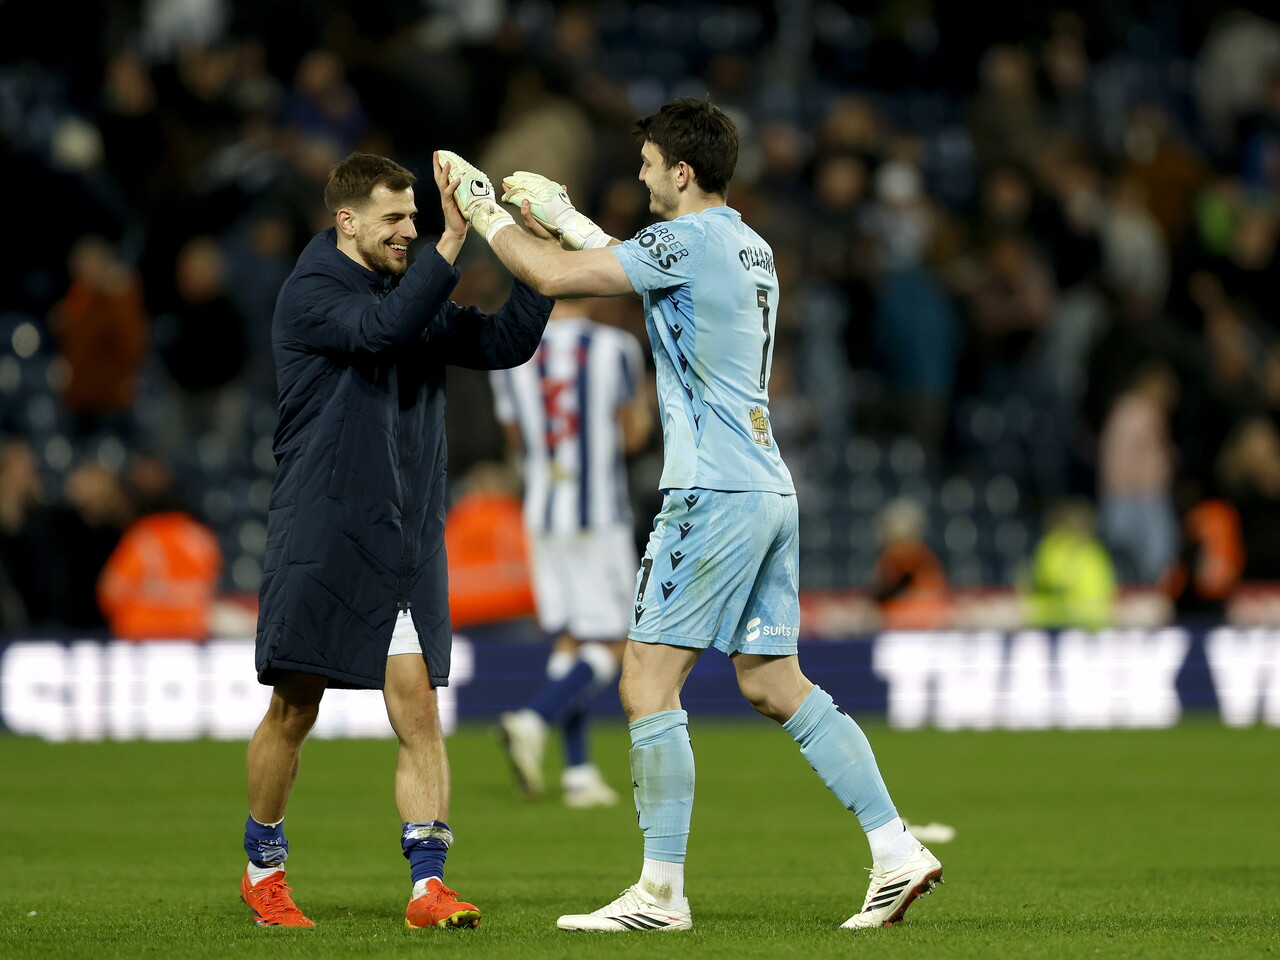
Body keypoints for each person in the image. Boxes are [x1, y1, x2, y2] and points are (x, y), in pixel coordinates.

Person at [439, 95, 943, 932]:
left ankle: (660, 894)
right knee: (773, 681)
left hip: (710, 490)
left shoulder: (687, 241)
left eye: (647, 167)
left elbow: (560, 278)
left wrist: (486, 211)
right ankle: (896, 850)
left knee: (645, 679)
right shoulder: (747, 244)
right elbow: (639, 267)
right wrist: (562, 216)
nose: (640, 179)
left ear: (681, 170)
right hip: (766, 485)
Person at [240, 151, 553, 931]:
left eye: (415, 216)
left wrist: (541, 260)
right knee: (295, 707)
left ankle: (427, 886)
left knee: (418, 706)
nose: (409, 230)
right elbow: (380, 334)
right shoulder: (314, 291)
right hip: (324, 531)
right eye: (394, 218)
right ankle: (263, 869)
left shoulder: (406, 294)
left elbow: (503, 343)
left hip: (404, 540)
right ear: (346, 221)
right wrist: (453, 241)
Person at [490, 298, 653, 808]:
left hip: (542, 514)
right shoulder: (615, 347)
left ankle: (578, 773)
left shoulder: (511, 351)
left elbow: (516, 437)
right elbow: (632, 435)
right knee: (618, 640)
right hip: (598, 515)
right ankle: (535, 718)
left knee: (570, 639)